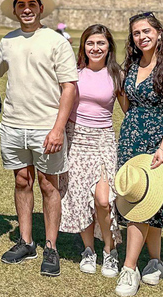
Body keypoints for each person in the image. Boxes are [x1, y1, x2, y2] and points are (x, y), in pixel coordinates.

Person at [0, 0, 78, 277]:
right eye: (21, 4)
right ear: (15, 10)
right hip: (14, 124)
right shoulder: (7, 41)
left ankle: (51, 246)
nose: (26, 9)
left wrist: (58, 129)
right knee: (21, 181)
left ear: (41, 8)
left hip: (46, 126)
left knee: (48, 184)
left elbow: (69, 87)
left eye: (32, 4)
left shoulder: (56, 41)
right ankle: (26, 241)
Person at [114, 12, 163, 297]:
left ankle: (130, 267)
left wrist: (162, 147)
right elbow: (126, 102)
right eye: (136, 33)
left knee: (144, 205)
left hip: (160, 142)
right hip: (132, 138)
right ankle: (156, 261)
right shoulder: (132, 64)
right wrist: (133, 124)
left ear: (158, 32)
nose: (142, 37)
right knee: (141, 199)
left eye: (147, 31)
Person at [59, 24, 124, 277]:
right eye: (90, 43)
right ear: (83, 46)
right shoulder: (74, 73)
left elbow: (128, 110)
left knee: (103, 199)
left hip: (102, 141)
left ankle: (109, 250)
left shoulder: (117, 74)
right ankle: (88, 249)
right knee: (77, 196)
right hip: (75, 138)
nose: (95, 48)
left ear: (109, 47)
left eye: (101, 43)